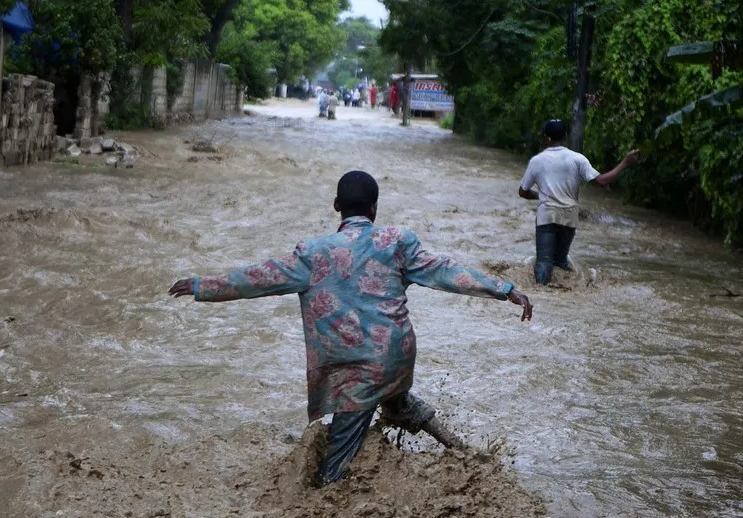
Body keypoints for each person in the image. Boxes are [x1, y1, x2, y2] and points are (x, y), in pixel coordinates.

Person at [169, 171, 533, 485]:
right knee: (395, 398)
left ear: (335, 206)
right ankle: (464, 453)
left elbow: (257, 279)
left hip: (355, 368)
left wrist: (203, 286)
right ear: (374, 209)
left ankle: (333, 494)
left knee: (335, 469)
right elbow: (446, 271)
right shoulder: (396, 242)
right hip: (396, 356)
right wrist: (505, 289)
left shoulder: (312, 253)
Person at [518, 119, 640, 285]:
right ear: (566, 136)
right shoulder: (578, 159)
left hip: (546, 216)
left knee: (544, 261)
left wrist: (539, 196)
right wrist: (625, 162)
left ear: (546, 138)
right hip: (569, 217)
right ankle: (567, 289)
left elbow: (522, 191)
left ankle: (541, 294)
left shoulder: (537, 161)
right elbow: (602, 181)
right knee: (561, 261)